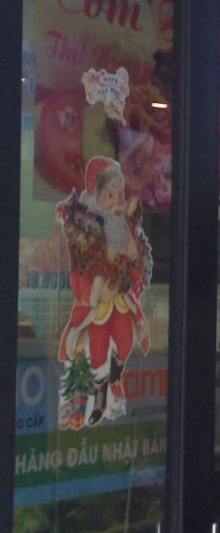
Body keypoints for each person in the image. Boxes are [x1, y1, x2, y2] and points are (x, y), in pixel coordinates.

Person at [55, 156, 152, 427]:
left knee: (125, 341)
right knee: (97, 353)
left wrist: (135, 258)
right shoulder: (87, 237)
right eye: (110, 195)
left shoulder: (127, 231)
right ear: (97, 199)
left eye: (120, 194)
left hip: (121, 302)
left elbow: (136, 272)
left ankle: (115, 377)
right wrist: (97, 292)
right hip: (97, 309)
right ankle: (99, 396)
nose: (118, 201)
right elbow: (79, 277)